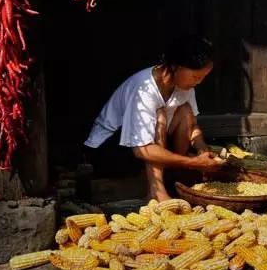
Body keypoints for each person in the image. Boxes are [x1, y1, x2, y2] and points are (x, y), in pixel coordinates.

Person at [83, 35, 225, 201]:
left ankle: (175, 178)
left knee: (185, 110)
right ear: (175, 67)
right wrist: (192, 162)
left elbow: (192, 126)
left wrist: (202, 148)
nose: (199, 82)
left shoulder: (184, 86)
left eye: (203, 77)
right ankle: (156, 191)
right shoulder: (144, 90)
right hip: (109, 152)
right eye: (195, 77)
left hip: (148, 145)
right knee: (160, 115)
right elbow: (142, 150)